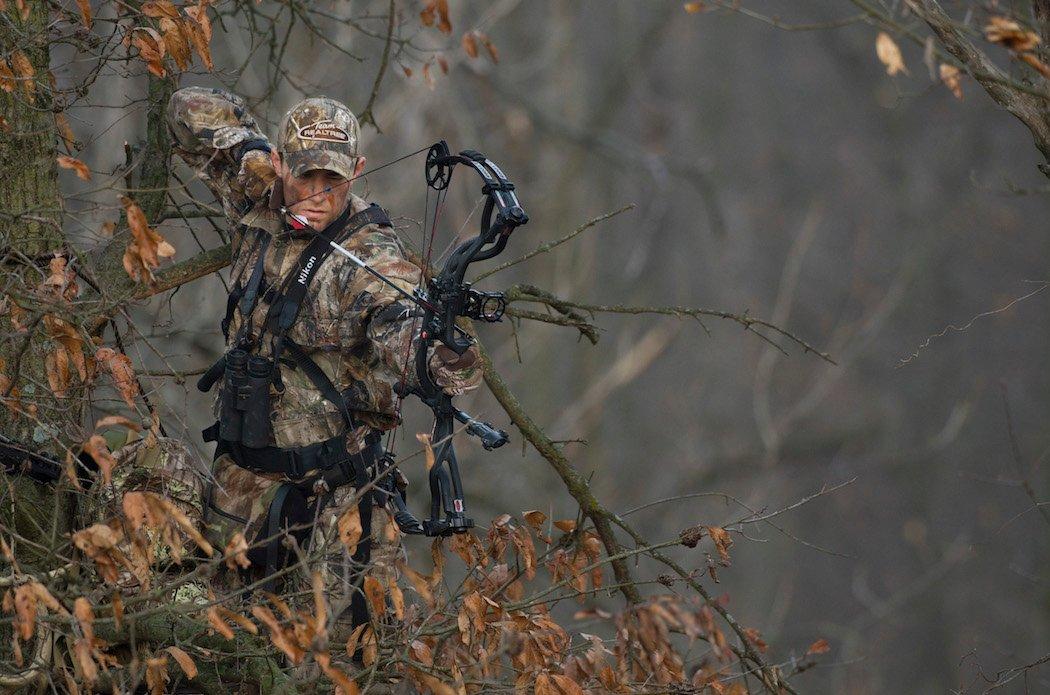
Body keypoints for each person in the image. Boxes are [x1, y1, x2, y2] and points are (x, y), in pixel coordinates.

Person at [165, 87, 482, 626]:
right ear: (279, 164)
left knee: (340, 667)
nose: (316, 193)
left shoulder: (370, 257)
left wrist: (436, 347)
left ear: (355, 171)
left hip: (336, 517)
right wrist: (251, 155)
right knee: (213, 656)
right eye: (304, 176)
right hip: (241, 493)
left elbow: (409, 333)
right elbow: (186, 108)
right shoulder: (256, 196)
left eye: (331, 180)